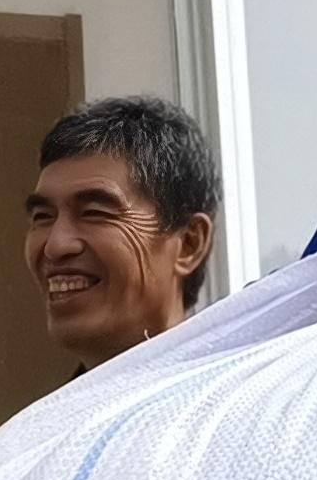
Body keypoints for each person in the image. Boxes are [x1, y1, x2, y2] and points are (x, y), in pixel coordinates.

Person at [20, 94, 217, 371]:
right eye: (42, 217)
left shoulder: (246, 394)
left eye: (94, 212)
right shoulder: (49, 405)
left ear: (188, 243)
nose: (55, 245)